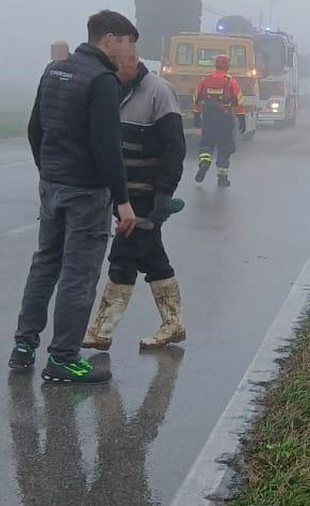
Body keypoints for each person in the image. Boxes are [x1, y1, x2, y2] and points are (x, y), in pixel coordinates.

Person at [9, 10, 140, 385]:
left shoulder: (55, 70)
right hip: (86, 192)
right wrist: (122, 199)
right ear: (110, 39)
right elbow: (107, 146)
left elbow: (35, 128)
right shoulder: (102, 80)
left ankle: (24, 346)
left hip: (53, 185)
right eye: (127, 44)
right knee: (78, 275)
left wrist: (48, 170)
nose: (129, 53)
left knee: (44, 265)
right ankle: (64, 359)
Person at [82, 39, 187, 352]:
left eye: (116, 63)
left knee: (123, 257)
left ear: (132, 61)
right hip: (123, 194)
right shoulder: (110, 88)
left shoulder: (159, 92)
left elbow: (174, 148)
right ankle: (173, 324)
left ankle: (101, 330)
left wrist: (164, 195)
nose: (112, 69)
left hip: (147, 196)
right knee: (153, 259)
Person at [191, 53, 243, 187]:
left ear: (215, 65)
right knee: (224, 147)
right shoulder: (230, 81)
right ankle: (222, 178)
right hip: (225, 119)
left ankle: (204, 163)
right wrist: (241, 118)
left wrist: (196, 117)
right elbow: (238, 100)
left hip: (208, 118)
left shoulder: (205, 80)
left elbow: (196, 98)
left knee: (206, 143)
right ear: (228, 66)